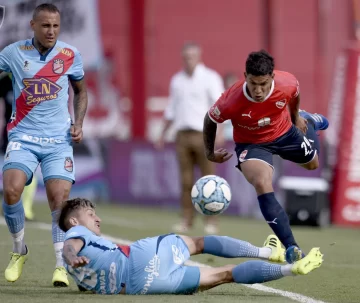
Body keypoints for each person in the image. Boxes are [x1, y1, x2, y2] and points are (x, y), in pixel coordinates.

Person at [203, 50, 329, 263]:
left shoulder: (287, 82)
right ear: (245, 76)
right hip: (252, 145)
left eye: (263, 84)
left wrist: (296, 116)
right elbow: (209, 119)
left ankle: (309, 120)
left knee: (313, 165)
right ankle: (292, 248)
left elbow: (295, 94)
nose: (258, 90)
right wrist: (209, 152)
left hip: (285, 132)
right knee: (262, 182)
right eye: (253, 83)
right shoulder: (230, 100)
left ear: (272, 77)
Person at [58, 198, 323, 295]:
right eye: (90, 214)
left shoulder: (79, 273)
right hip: (141, 257)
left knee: (226, 274)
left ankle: (292, 269)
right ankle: (270, 252)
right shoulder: (76, 232)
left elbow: (85, 274)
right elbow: (70, 247)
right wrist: (69, 256)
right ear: (74, 220)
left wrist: (72, 263)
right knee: (198, 243)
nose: (97, 218)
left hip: (143, 288)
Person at [0, 3, 88, 286]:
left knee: (58, 202)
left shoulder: (70, 55)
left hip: (58, 141)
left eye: (56, 26)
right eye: (45, 26)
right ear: (33, 25)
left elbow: (81, 92)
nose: (51, 31)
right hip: (23, 137)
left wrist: (79, 123)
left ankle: (61, 265)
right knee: (11, 190)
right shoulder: (14, 53)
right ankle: (18, 250)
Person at [156, 42, 225, 234]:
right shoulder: (177, 80)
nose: (189, 60)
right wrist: (162, 133)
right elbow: (172, 108)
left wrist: (219, 131)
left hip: (204, 133)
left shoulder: (209, 78)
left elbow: (220, 105)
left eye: (192, 56)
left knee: (209, 180)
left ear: (199, 56)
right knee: (186, 181)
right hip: (182, 135)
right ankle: (187, 220)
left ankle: (211, 221)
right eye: (186, 57)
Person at [0, 73, 38, 221]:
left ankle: (25, 209)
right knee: (11, 169)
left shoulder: (33, 81)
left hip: (31, 131)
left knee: (30, 170)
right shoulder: (5, 81)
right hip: (10, 133)